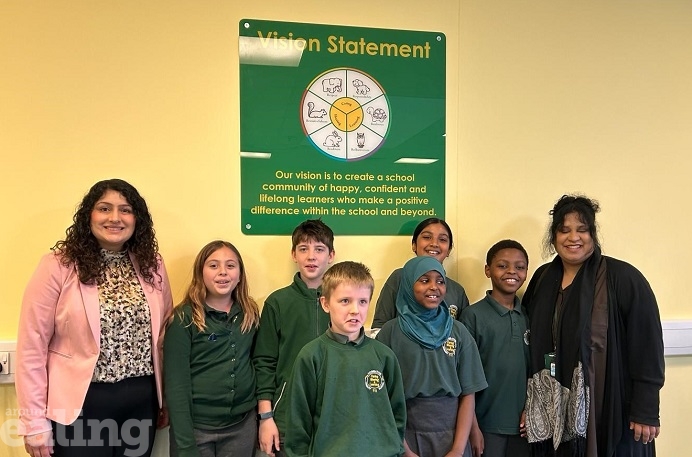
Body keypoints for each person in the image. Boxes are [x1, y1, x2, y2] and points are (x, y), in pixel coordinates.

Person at [16, 178, 173, 457]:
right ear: (88, 215)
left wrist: (167, 401)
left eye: (125, 210)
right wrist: (34, 422)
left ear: (137, 219)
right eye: (104, 208)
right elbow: (32, 346)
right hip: (80, 407)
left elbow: (164, 337)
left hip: (141, 403)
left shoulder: (153, 265)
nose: (115, 218)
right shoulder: (58, 265)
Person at [522, 194, 664, 457]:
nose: (573, 237)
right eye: (564, 230)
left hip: (610, 408)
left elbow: (647, 347)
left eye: (582, 230)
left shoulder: (622, 278)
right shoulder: (542, 279)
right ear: (553, 238)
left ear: (593, 234)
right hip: (553, 411)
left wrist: (646, 408)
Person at [284, 261, 406, 457]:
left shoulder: (384, 356)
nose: (355, 310)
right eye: (345, 301)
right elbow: (298, 424)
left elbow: (397, 415)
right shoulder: (311, 356)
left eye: (362, 301)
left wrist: (395, 449)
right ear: (325, 303)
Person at [377, 256, 488, 457]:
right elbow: (382, 398)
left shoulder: (458, 332)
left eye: (440, 281)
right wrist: (404, 450)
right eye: (424, 280)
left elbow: (467, 394)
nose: (434, 287)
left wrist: (457, 449)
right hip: (405, 434)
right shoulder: (390, 333)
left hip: (453, 435)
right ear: (408, 284)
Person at [164, 241, 260, 457]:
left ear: (240, 273)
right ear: (201, 272)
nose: (223, 272)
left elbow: (256, 362)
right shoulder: (184, 319)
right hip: (197, 429)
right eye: (214, 265)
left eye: (230, 265)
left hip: (241, 427)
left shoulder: (249, 313)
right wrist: (186, 445)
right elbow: (176, 384)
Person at [253, 219, 335, 457]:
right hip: (287, 419)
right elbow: (264, 362)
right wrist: (265, 417)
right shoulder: (277, 303)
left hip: (333, 419)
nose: (311, 256)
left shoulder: (343, 301)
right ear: (293, 254)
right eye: (303, 249)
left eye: (319, 249)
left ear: (331, 255)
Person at [461, 240, 531, 457]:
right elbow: (464, 377)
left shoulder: (529, 315)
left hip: (524, 427)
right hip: (486, 425)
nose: (512, 272)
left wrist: (532, 410)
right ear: (487, 270)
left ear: (526, 273)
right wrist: (472, 428)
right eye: (502, 265)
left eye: (519, 267)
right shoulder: (472, 316)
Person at [372, 218, 470, 330]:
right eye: (427, 237)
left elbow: (462, 335)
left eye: (442, 239)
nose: (434, 244)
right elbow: (379, 327)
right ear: (414, 245)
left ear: (449, 250)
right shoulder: (399, 278)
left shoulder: (457, 291)